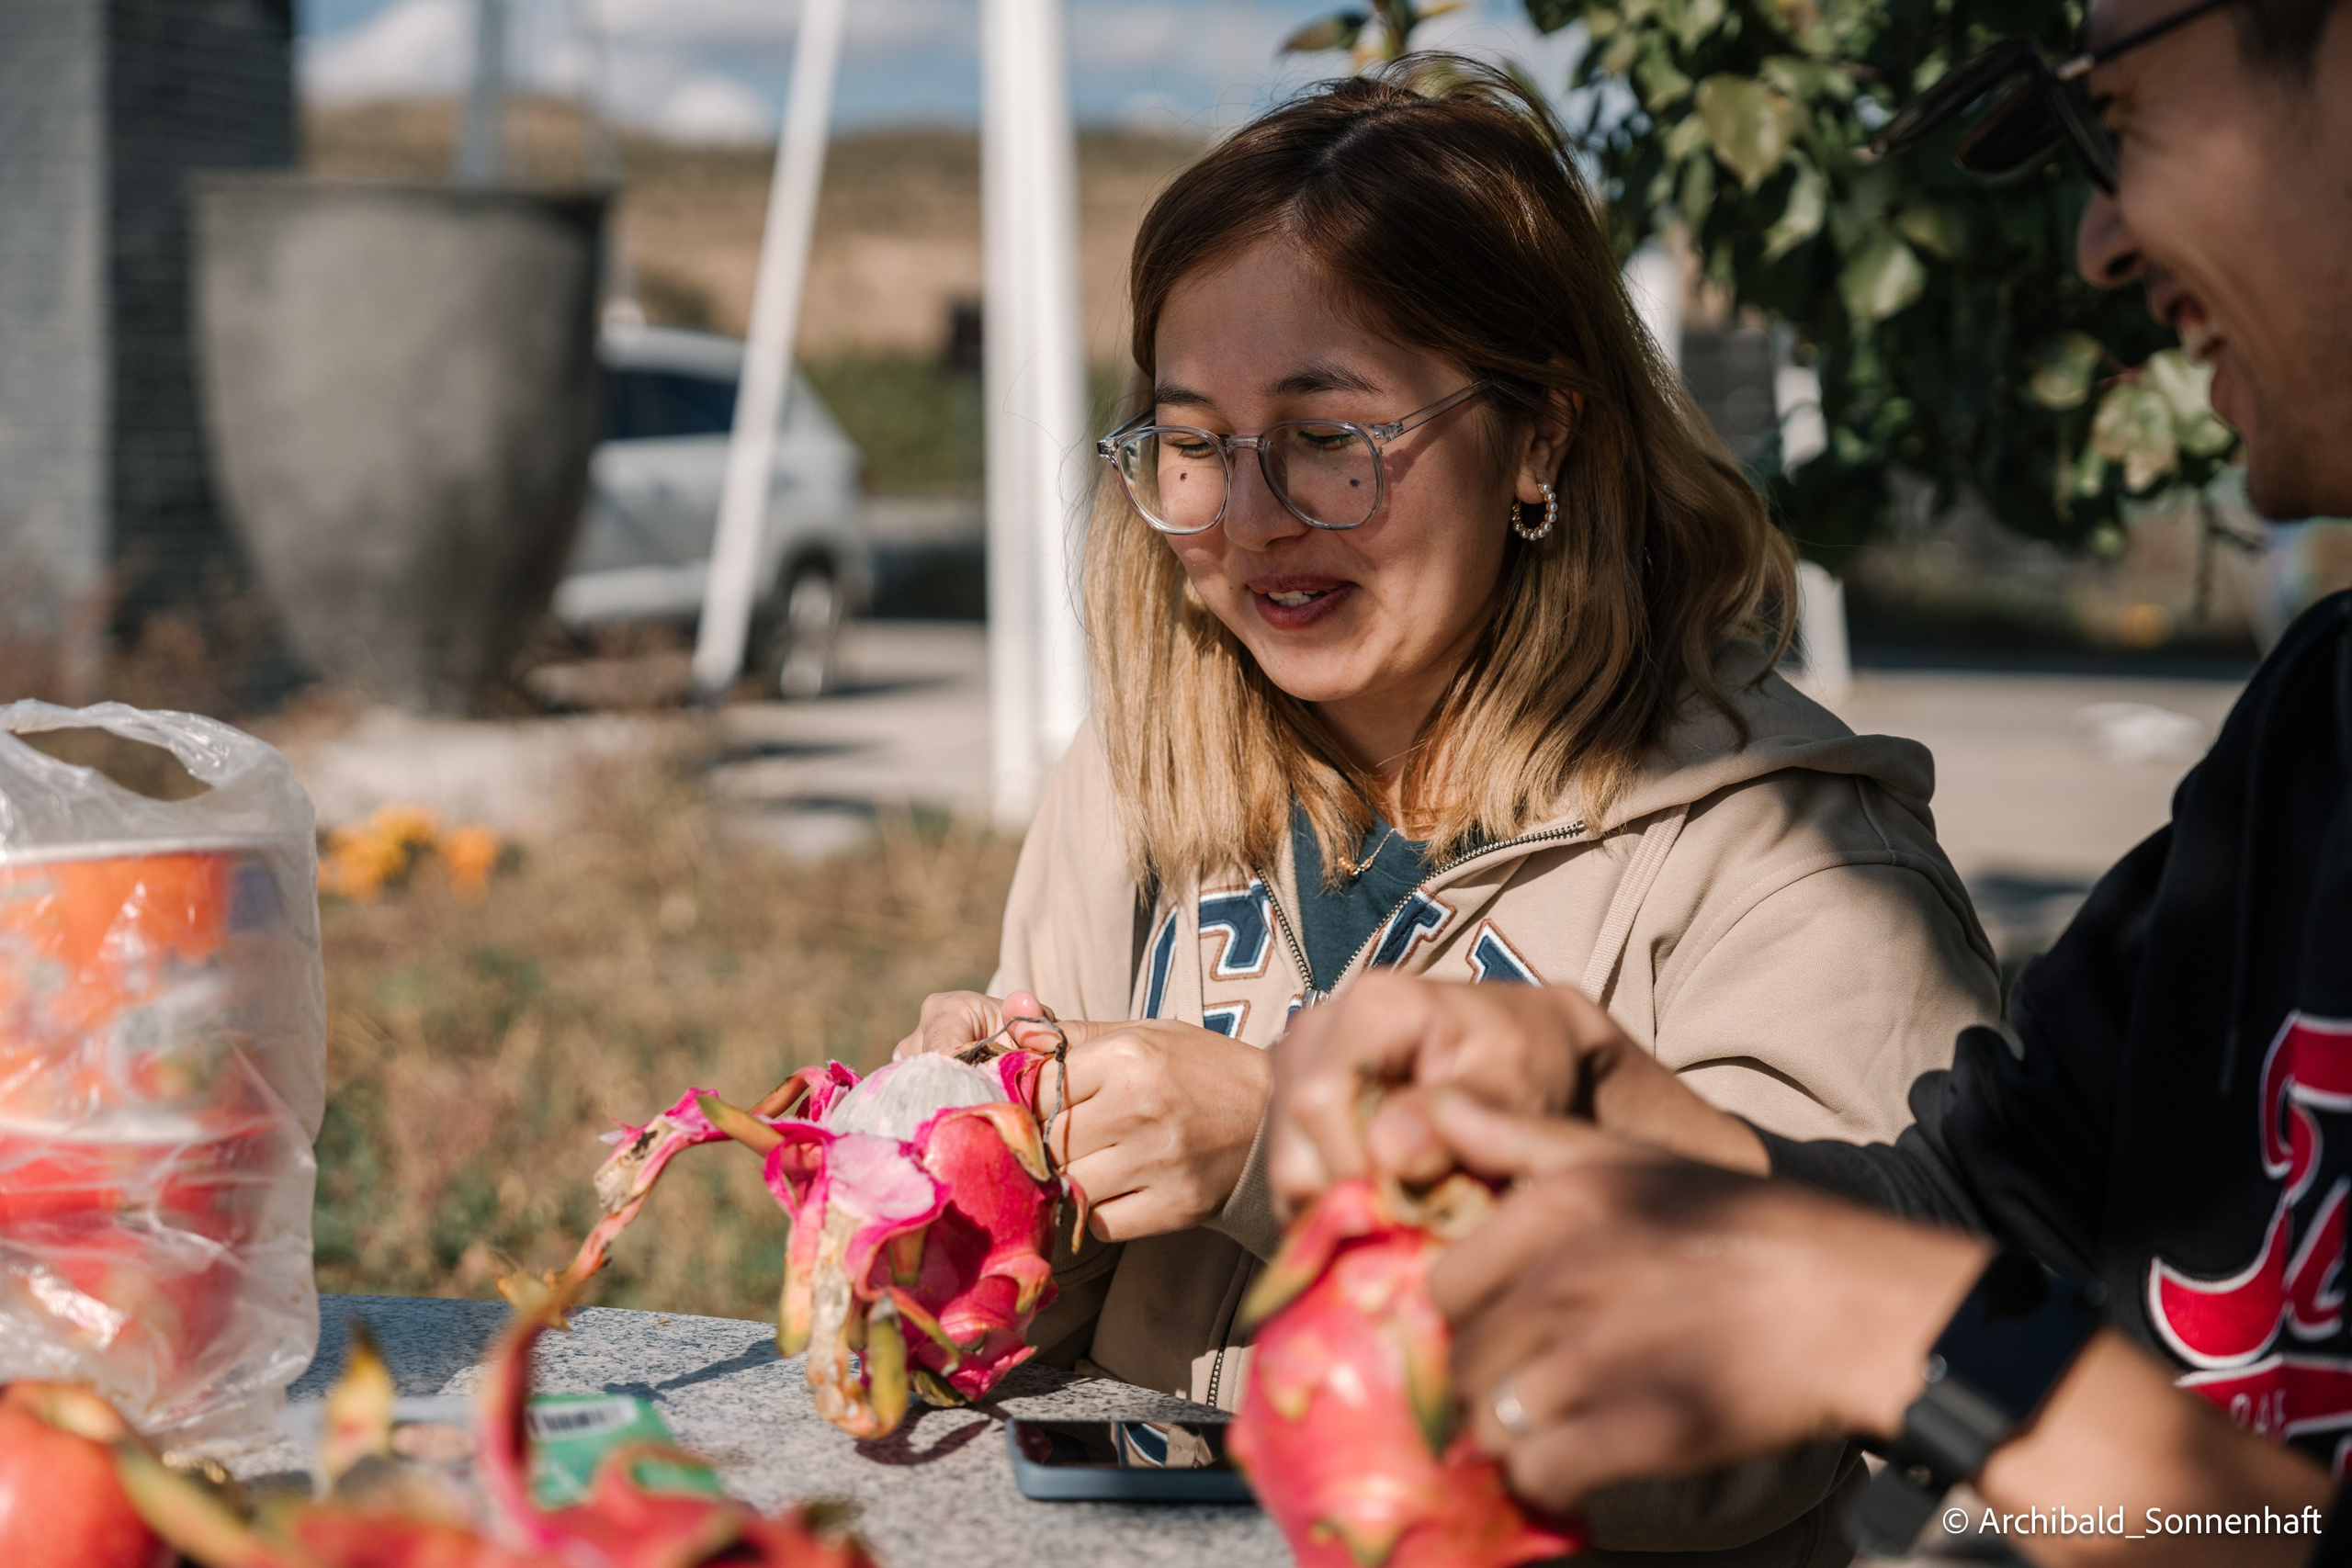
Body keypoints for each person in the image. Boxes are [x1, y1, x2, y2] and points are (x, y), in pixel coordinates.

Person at [1269, 0, 2352, 1562]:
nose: (2101, 236)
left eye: (2126, 110)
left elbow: (1941, 1306)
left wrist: (1906, 1336)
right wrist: (1627, 1116)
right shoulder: (2315, 737)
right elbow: (1990, 1209)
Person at [898, 58, 2002, 1564]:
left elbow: (1771, 1436)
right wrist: (971, 1213)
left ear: (1541, 436)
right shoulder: (1139, 786)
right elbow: (1052, 1375)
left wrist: (1287, 1152)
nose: (1251, 513)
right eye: (1191, 442)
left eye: (1331, 436)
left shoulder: (1789, 862)